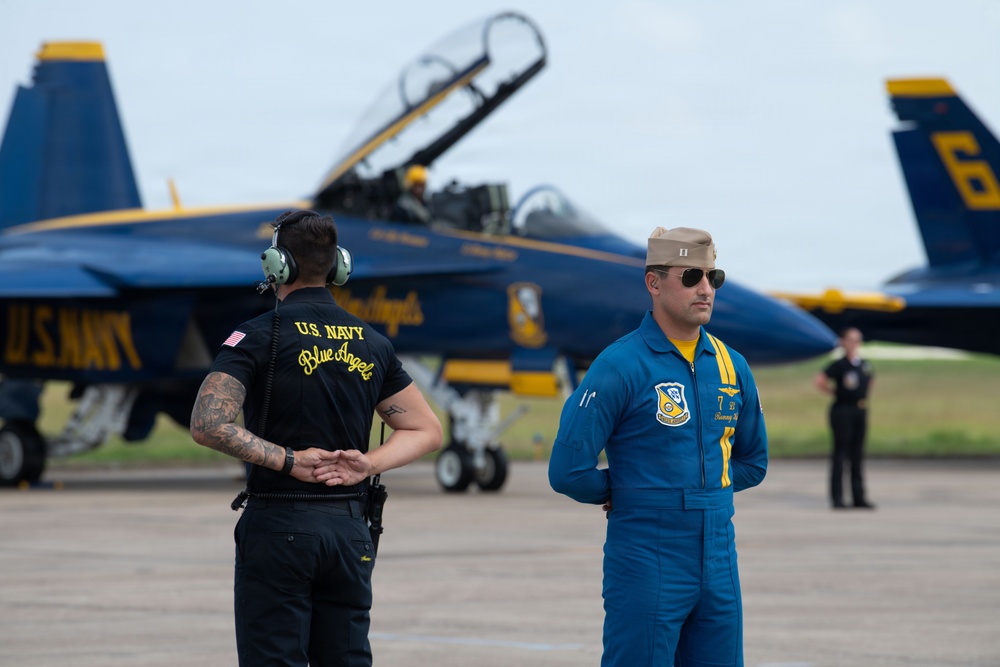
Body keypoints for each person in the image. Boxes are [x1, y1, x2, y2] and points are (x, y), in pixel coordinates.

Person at [190, 209, 442, 667]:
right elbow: (426, 429)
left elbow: (208, 423)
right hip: (349, 533)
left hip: (279, 527)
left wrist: (290, 460)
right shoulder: (373, 343)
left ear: (277, 265)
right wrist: (366, 464)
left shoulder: (255, 337)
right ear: (338, 265)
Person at [548, 226, 768, 667]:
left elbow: (752, 462)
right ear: (654, 282)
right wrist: (633, 492)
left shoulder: (732, 365)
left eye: (713, 277)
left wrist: (701, 492)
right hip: (647, 555)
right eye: (691, 277)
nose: (705, 289)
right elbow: (568, 471)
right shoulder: (619, 365)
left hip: (719, 557)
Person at [814, 327, 875, 510]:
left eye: (857, 340)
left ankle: (859, 496)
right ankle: (838, 498)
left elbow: (870, 381)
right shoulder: (839, 365)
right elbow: (820, 380)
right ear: (843, 342)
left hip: (860, 409)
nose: (854, 344)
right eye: (851, 340)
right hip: (842, 410)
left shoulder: (864, 364)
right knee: (841, 453)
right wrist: (836, 392)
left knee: (857, 454)